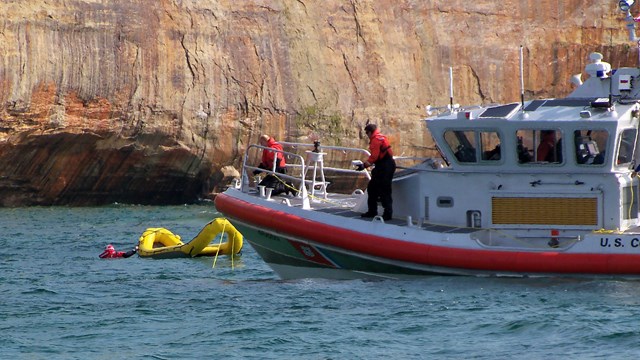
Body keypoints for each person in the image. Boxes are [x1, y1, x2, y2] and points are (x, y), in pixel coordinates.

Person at [356, 123, 396, 221]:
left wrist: (363, 165)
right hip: (387, 165)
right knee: (374, 188)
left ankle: (385, 214)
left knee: (382, 190)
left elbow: (374, 157)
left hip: (384, 167)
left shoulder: (375, 140)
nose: (367, 135)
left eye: (367, 133)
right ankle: (374, 211)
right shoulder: (381, 137)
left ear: (370, 132)